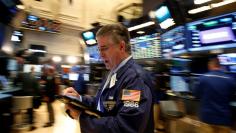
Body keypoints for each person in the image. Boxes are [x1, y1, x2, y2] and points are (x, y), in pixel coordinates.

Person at [63, 24, 154, 133]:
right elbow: (102, 103)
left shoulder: (134, 80)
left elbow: (126, 127)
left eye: (104, 48)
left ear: (121, 46)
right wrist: (78, 99)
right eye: (99, 49)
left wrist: (81, 118)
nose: (100, 55)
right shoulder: (112, 73)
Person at [193, 56, 236, 133]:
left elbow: (196, 95)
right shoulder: (230, 80)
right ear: (220, 66)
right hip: (224, 119)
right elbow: (232, 98)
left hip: (207, 118)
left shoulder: (202, 78)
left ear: (210, 65)